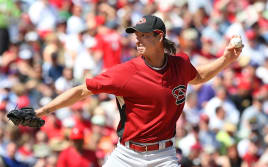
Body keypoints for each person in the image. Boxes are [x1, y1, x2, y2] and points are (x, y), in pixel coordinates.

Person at [35, 15, 243, 167]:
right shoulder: (126, 72)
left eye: (143, 35)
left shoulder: (180, 65)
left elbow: (199, 77)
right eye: (136, 35)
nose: (137, 40)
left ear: (159, 36)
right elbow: (82, 91)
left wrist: (225, 59)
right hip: (127, 156)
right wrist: (42, 111)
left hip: (164, 156)